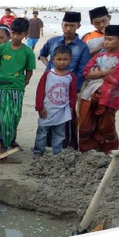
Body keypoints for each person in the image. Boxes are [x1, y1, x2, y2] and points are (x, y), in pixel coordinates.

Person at [0, 18, 35, 152]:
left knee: (9, 118)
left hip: (15, 89)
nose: (16, 37)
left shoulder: (28, 52)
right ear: (10, 32)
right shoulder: (2, 49)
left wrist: (23, 82)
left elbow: (29, 72)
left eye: (19, 34)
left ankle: (3, 150)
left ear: (25, 34)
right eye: (13, 33)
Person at [38, 11, 89, 149]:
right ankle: (44, 146)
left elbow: (82, 71)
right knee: (46, 114)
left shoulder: (82, 47)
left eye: (72, 25)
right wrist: (49, 67)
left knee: (67, 118)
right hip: (50, 87)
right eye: (66, 25)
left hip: (70, 88)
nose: (68, 29)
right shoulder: (52, 42)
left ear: (78, 26)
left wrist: (74, 90)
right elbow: (42, 55)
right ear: (61, 25)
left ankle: (67, 147)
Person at [79, 25, 119, 153]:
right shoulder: (97, 57)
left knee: (106, 126)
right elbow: (85, 73)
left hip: (109, 99)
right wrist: (106, 72)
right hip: (89, 95)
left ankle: (108, 153)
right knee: (86, 124)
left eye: (110, 39)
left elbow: (114, 79)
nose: (106, 42)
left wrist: (97, 72)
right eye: (105, 39)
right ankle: (86, 151)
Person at [33, 46, 77, 156]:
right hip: (47, 109)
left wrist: (71, 108)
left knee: (59, 133)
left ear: (70, 60)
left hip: (62, 111)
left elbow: (72, 94)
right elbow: (40, 91)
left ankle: (57, 153)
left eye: (65, 59)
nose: (62, 62)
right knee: (42, 131)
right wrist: (39, 107)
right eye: (59, 59)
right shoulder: (48, 74)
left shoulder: (70, 76)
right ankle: (38, 151)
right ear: (53, 60)